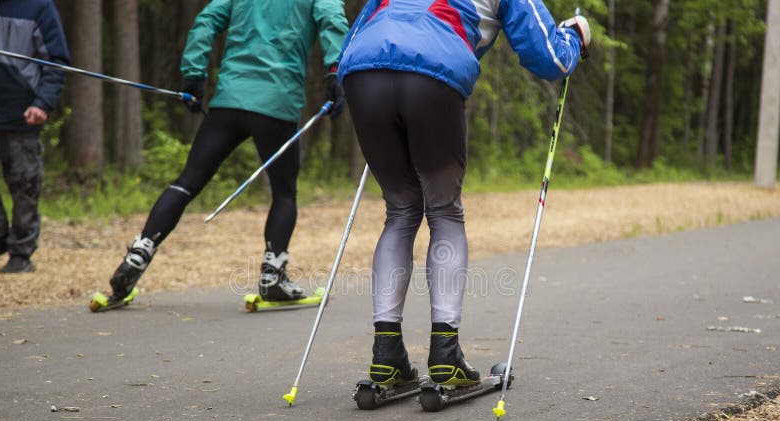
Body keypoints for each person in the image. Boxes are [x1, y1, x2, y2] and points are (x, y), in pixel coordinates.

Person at [338, 1, 590, 388]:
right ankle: (445, 355)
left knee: (401, 210)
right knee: (444, 213)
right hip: (432, 74)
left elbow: (355, 35)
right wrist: (575, 35)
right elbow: (550, 60)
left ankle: (386, 356)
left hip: (364, 72)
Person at [95, 0, 348, 309]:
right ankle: (273, 277)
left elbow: (206, 21)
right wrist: (336, 73)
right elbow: (333, 23)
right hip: (276, 104)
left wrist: (194, 73)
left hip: (229, 101)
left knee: (186, 182)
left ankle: (138, 253)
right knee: (284, 192)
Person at [0, 0, 70, 273]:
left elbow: (57, 61)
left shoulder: (39, 7)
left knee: (24, 182)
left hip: (22, 109)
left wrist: (43, 103)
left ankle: (22, 251)